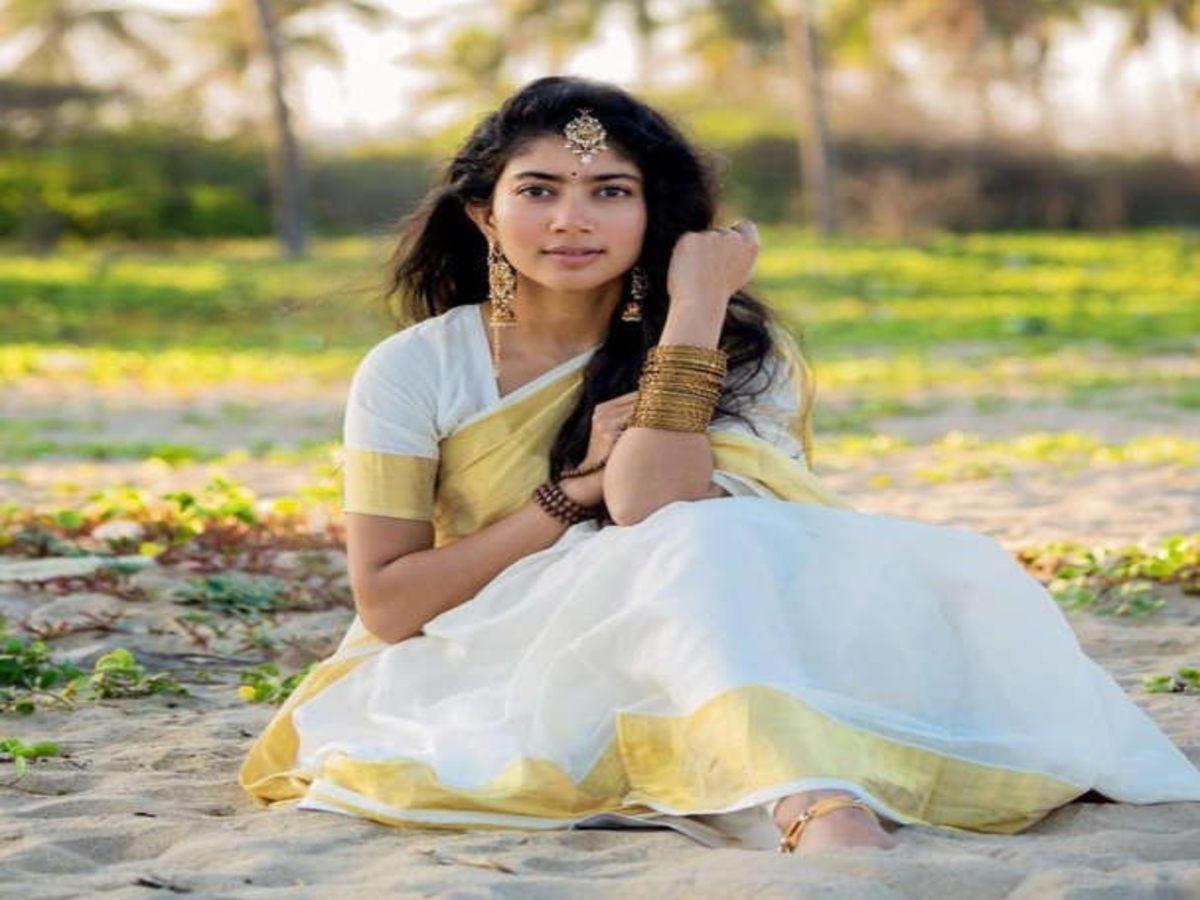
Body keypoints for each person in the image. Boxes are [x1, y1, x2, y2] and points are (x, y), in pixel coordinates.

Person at [239, 76, 1200, 854]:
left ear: (657, 217)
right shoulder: (416, 370)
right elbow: (393, 605)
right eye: (539, 191)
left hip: (707, 622)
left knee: (765, 545)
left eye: (609, 191)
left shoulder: (739, 349)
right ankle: (813, 805)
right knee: (687, 543)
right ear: (485, 218)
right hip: (496, 645)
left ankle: (802, 793)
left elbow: (659, 505)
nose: (571, 220)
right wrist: (572, 494)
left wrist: (691, 317)